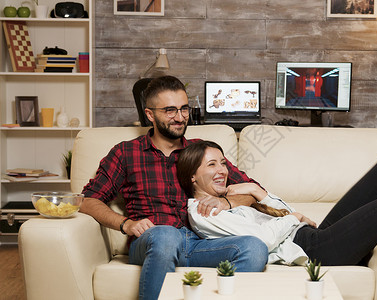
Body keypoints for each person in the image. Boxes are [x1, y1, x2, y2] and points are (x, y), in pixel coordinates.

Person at [79, 76, 268, 300]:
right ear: (150, 114)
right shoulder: (126, 153)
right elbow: (87, 200)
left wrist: (226, 202)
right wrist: (125, 224)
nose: (180, 118)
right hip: (153, 241)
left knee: (255, 248)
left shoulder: (201, 152)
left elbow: (254, 191)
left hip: (201, 243)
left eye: (184, 109)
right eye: (170, 110)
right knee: (167, 236)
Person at [177, 140, 377, 266]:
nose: (222, 170)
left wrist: (255, 191)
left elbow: (287, 211)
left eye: (223, 163)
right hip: (313, 251)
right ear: (192, 176)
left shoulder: (229, 198)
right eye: (212, 165)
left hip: (314, 235)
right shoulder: (202, 211)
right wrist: (294, 218)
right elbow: (261, 241)